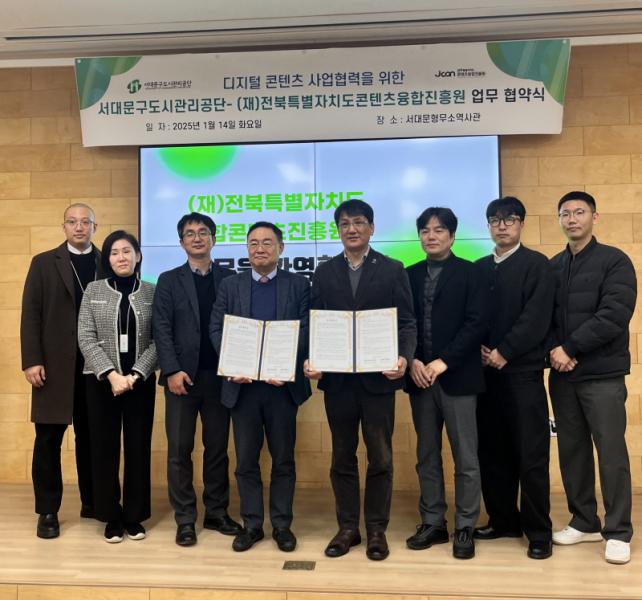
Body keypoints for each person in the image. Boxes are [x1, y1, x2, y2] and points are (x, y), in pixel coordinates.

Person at [305, 199, 416, 561]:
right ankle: (348, 528)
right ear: (338, 230)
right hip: (338, 383)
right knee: (342, 456)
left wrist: (404, 357)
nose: (351, 229)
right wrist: (313, 358)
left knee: (380, 457)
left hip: (378, 380)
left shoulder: (393, 269)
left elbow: (406, 323)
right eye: (344, 224)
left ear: (371, 227)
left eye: (358, 222)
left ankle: (377, 530)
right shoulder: (324, 272)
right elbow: (315, 322)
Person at [210, 221, 311, 553]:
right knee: (246, 461)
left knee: (283, 460)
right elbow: (216, 328)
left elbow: (306, 328)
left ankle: (282, 525)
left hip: (281, 388)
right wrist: (232, 363)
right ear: (247, 249)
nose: (260, 248)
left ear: (281, 248)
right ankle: (252, 524)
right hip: (243, 389)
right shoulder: (230, 285)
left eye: (267, 242)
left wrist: (285, 364)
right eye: (253, 243)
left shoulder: (298, 284)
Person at [549, 191, 637, 565]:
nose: (572, 219)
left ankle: (618, 531)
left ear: (594, 217)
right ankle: (584, 521)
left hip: (602, 375)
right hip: (562, 377)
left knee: (611, 452)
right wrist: (554, 351)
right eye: (565, 213)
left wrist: (570, 348)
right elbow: (542, 318)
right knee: (572, 451)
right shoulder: (553, 266)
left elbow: (614, 314)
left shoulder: (615, 261)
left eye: (579, 212)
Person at [153, 213, 241, 547]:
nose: (197, 238)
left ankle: (216, 512)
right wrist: (171, 371)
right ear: (181, 242)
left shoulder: (230, 279)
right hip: (181, 379)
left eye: (203, 232)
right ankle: (185, 518)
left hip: (220, 377)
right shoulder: (168, 280)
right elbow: (161, 328)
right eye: (190, 233)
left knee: (217, 449)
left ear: (213, 239)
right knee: (179, 450)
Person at [474, 196, 554, 559]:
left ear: (521, 223)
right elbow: (471, 317)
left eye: (509, 219)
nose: (502, 226)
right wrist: (477, 350)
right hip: (484, 377)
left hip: (522, 374)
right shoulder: (478, 268)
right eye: (495, 220)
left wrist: (504, 351)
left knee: (531, 454)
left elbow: (537, 317)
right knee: (492, 451)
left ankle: (538, 531)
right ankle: (503, 519)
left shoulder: (537, 265)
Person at [404, 207, 485, 560]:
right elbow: (403, 323)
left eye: (439, 230)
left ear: (452, 236)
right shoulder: (407, 274)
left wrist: (444, 361)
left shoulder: (471, 272)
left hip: (458, 378)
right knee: (426, 455)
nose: (431, 236)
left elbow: (477, 323)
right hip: (420, 378)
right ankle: (433, 521)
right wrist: (413, 360)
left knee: (465, 456)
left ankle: (465, 525)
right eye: (425, 230)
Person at [21, 203, 101, 539]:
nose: (79, 227)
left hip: (96, 367)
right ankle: (48, 511)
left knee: (92, 438)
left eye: (85, 222)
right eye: (72, 221)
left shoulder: (106, 262)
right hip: (53, 367)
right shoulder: (43, 263)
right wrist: (32, 360)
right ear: (63, 227)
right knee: (48, 440)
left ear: (95, 227)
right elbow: (31, 314)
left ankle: (93, 502)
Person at [78, 231, 157, 543]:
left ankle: (134, 516)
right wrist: (112, 375)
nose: (121, 257)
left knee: (138, 447)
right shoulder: (93, 290)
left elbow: (159, 340)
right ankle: (111, 516)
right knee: (103, 448)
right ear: (107, 259)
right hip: (101, 382)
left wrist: (135, 375)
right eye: (114, 252)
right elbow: (85, 336)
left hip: (140, 383)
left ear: (138, 256)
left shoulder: (152, 292)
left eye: (127, 251)